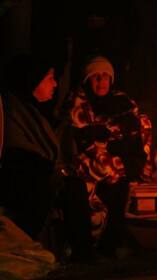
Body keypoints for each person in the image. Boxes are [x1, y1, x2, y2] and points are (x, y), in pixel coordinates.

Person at [0, 54, 93, 261]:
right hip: (17, 178)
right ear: (33, 81)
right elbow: (15, 148)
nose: (55, 83)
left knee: (74, 185)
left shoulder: (34, 110)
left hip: (35, 172)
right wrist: (49, 169)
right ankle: (25, 249)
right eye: (49, 78)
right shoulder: (12, 109)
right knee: (50, 188)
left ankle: (83, 253)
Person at [67, 55, 152, 256]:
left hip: (123, 160)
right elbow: (86, 139)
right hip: (95, 163)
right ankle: (103, 243)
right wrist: (111, 141)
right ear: (88, 80)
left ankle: (114, 240)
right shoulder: (79, 104)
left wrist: (132, 156)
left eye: (105, 76)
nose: (102, 81)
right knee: (112, 180)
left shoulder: (122, 101)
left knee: (123, 181)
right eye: (96, 77)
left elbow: (138, 129)